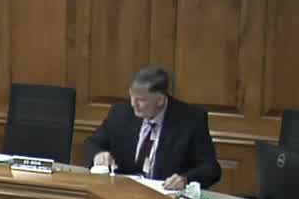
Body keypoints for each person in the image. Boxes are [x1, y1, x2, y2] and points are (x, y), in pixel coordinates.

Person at [83, 64, 220, 189]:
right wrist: (98, 154)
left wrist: (185, 179)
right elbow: (92, 143)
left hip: (165, 198)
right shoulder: (121, 113)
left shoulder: (190, 120)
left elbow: (210, 168)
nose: (133, 104)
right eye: (131, 97)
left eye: (140, 100)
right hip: (123, 194)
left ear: (160, 100)